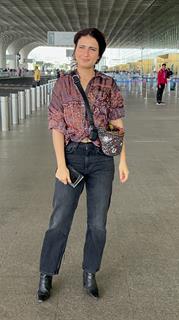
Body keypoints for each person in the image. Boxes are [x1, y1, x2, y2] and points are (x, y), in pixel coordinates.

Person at [37, 28, 129, 302]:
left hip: (102, 160)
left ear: (98, 54)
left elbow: (117, 124)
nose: (85, 52)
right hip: (72, 156)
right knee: (59, 220)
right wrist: (60, 165)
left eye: (92, 48)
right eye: (82, 47)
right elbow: (56, 126)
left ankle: (90, 271)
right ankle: (46, 273)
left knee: (98, 223)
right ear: (75, 50)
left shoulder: (108, 84)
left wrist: (122, 160)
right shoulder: (62, 84)